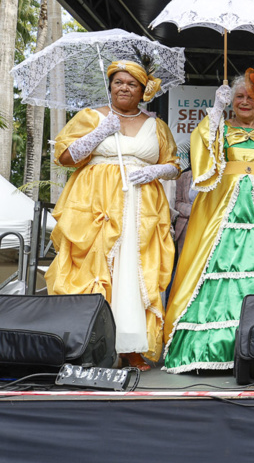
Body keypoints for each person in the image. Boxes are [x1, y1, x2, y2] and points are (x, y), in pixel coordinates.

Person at [49, 58, 179, 371]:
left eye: (131, 83)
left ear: (142, 90)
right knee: (94, 270)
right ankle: (92, 345)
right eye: (118, 82)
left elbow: (174, 164)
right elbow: (64, 157)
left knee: (133, 273)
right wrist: (98, 133)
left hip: (141, 210)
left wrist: (157, 170)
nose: (124, 87)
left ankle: (131, 346)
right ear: (110, 85)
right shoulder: (91, 116)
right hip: (96, 207)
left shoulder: (156, 125)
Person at [163, 69, 254, 373]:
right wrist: (217, 109)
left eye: (251, 96)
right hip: (223, 209)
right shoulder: (219, 129)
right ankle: (207, 350)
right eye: (239, 96)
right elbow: (203, 155)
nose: (244, 101)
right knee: (215, 268)